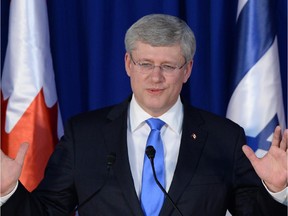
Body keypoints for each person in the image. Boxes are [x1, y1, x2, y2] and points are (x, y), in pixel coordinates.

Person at [1, 14, 287, 216]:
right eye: (145, 63)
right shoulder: (83, 136)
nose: (155, 77)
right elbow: (46, 211)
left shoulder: (224, 137)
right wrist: (7, 192)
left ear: (187, 70)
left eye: (168, 66)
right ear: (128, 64)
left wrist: (276, 190)